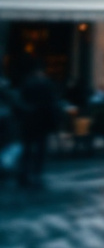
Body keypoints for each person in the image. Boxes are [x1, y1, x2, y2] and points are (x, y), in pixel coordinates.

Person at [16, 60, 59, 189]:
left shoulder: (26, 83)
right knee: (39, 148)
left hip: (29, 120)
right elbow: (52, 103)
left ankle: (24, 173)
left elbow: (20, 101)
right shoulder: (45, 84)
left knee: (28, 148)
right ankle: (36, 174)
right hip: (41, 120)